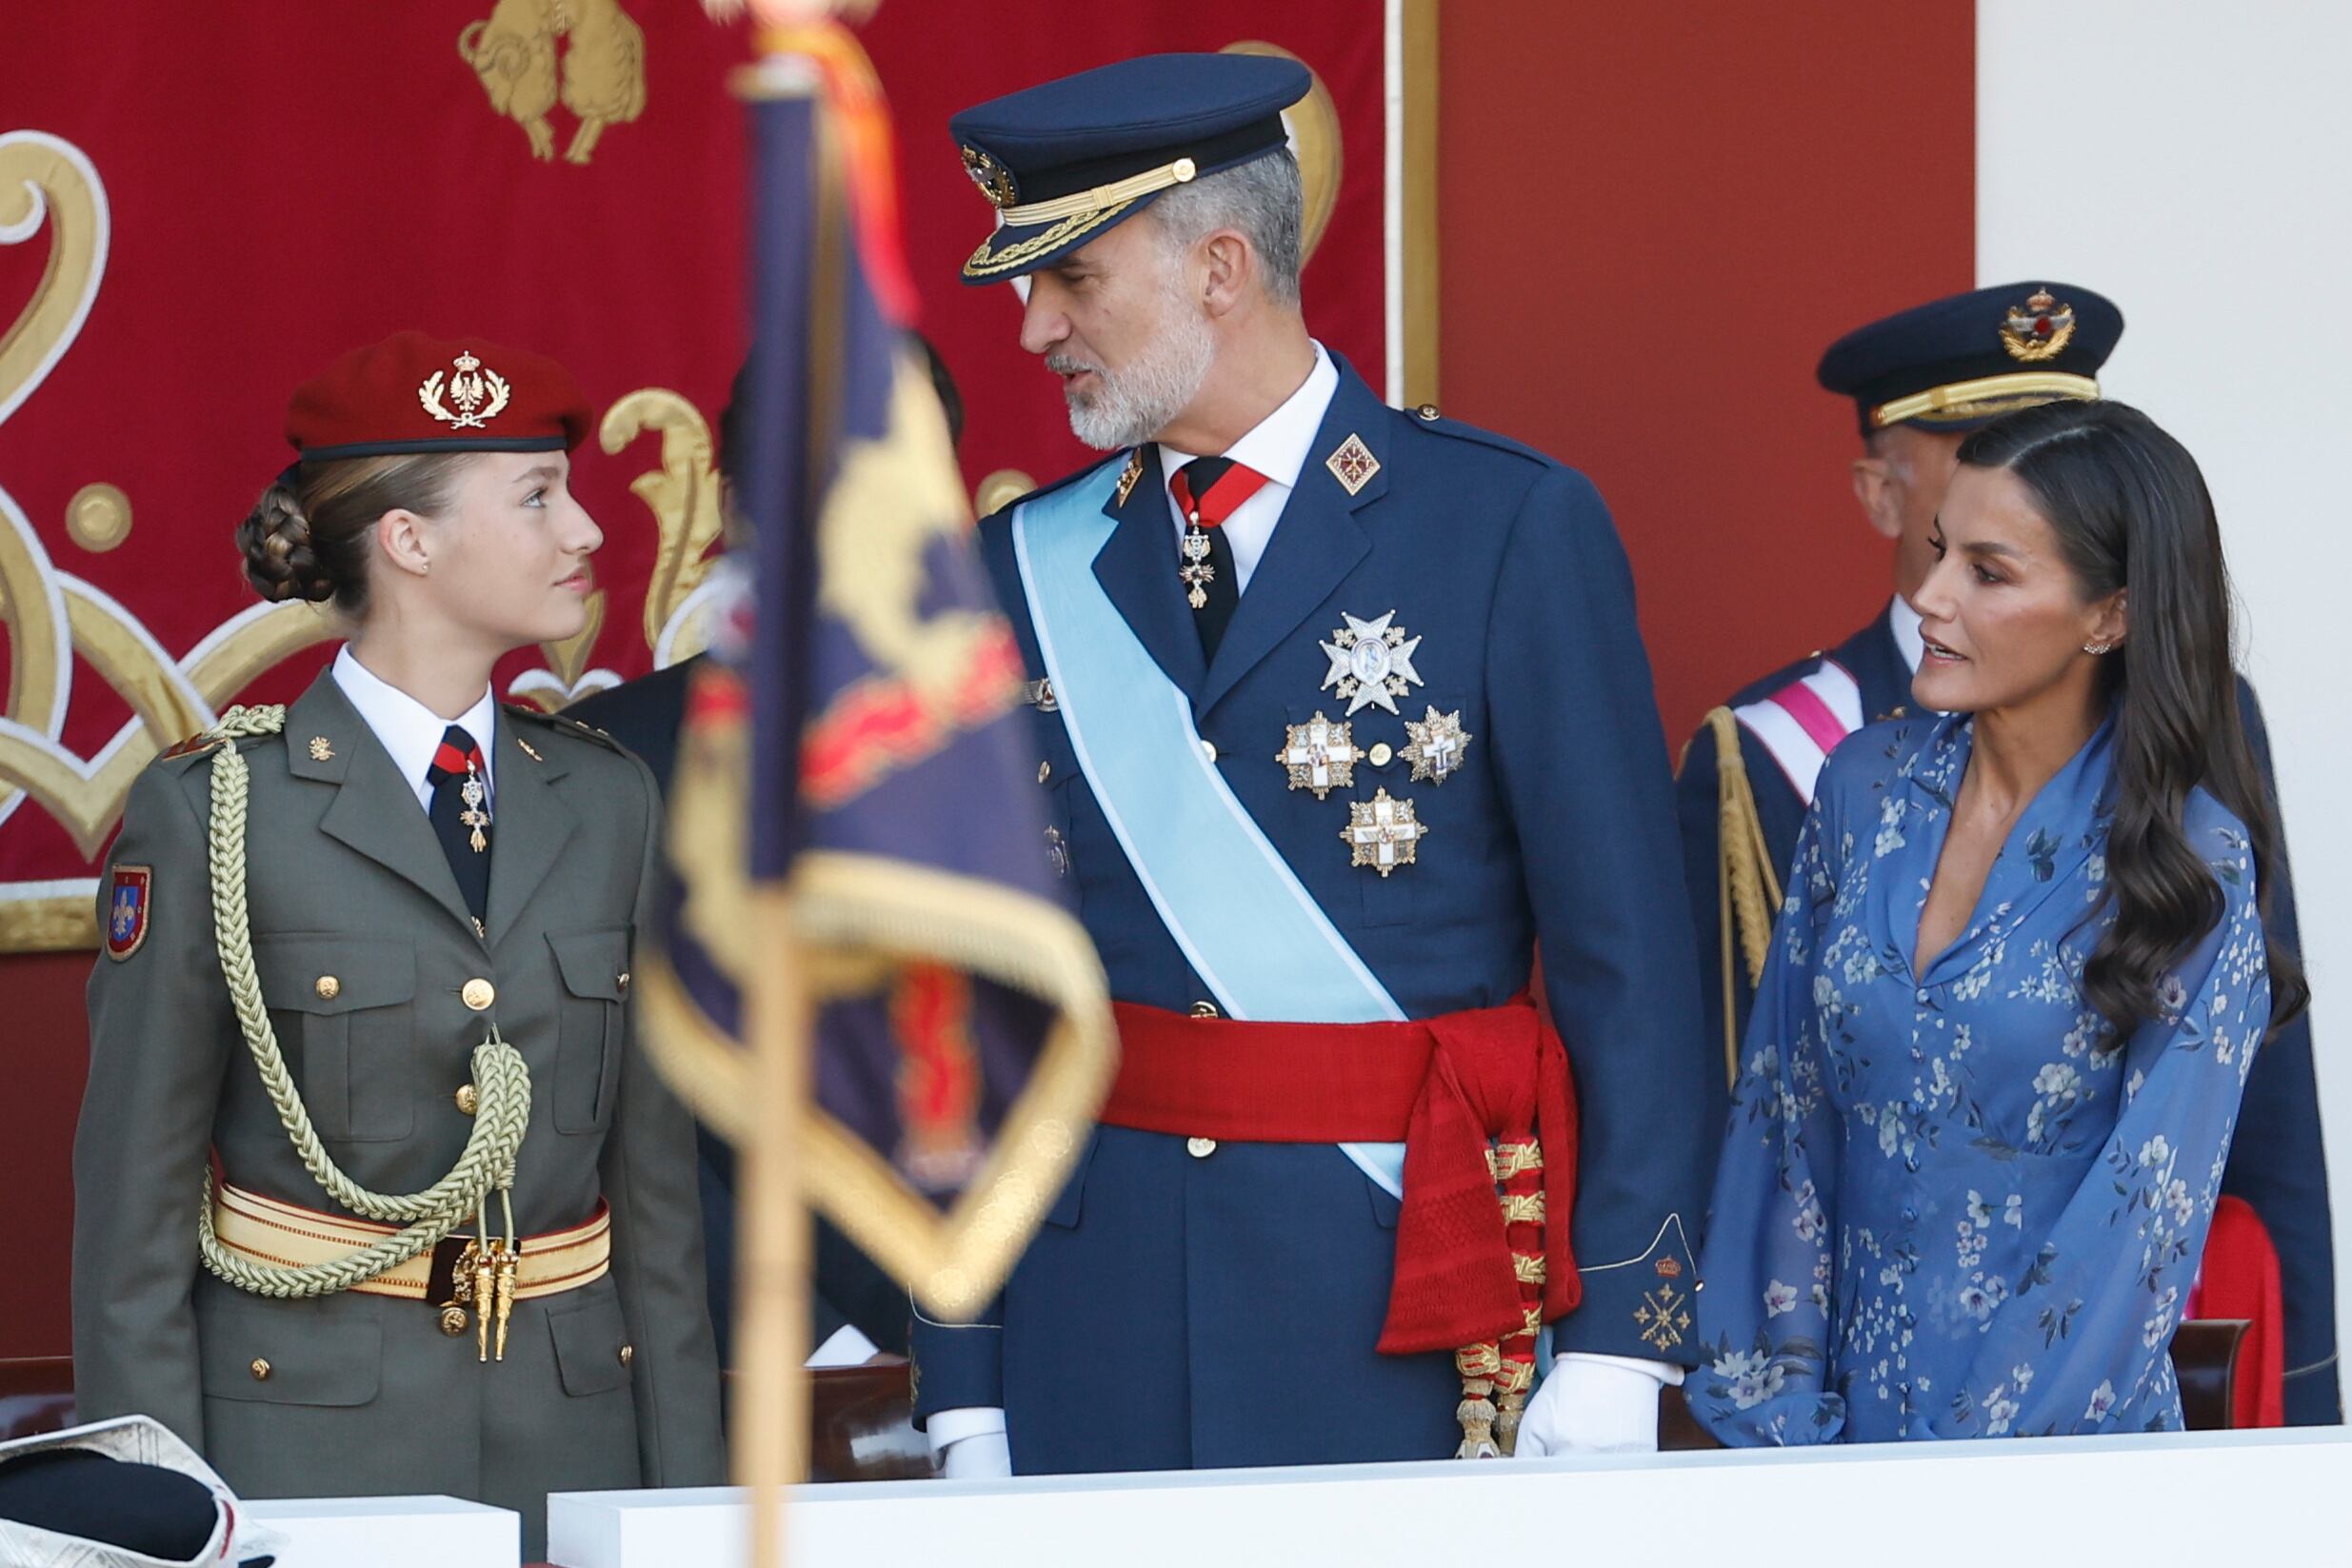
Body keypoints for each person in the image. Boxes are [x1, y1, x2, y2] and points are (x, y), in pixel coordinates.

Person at [912, 52, 1714, 1477]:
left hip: (1406, 1291)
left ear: (1219, 268)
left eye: (1073, 279)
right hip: (1090, 1314)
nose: (1033, 328)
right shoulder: (1015, 566)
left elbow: (1629, 971)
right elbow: (967, 999)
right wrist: (962, 1379)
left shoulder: (1500, 526)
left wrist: (1621, 1341)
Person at [73, 331, 723, 1555]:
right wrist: (161, 1526)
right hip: (305, 1456)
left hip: (572, 1448)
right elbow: (132, 1235)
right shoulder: (219, 809)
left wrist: (688, 1507)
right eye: (536, 496)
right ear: (410, 541)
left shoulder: (609, 800)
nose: (586, 529)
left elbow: (658, 1214)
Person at [1678, 283, 2337, 1423]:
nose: (1930, 597)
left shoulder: (2195, 858)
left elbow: (2141, 1224)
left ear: (2108, 615)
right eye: (1939, 551)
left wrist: (1974, 1481)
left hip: (2056, 1460)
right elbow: (1782, 1123)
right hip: (1826, 1450)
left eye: (1987, 572)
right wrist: (1776, 1416)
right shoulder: (1861, 787)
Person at [567, 330, 968, 1370]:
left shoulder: (1040, 736)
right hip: (741, 1359)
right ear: (738, 502)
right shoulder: (607, 763)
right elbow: (617, 1103)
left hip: (1026, 1340)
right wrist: (825, 1343)